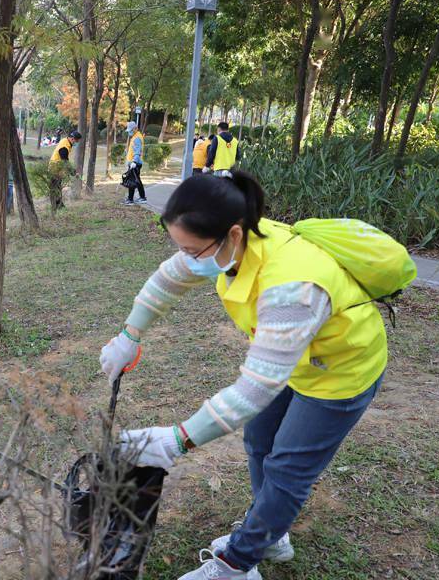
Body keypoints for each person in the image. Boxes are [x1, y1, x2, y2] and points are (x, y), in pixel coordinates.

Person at [99, 172, 387, 580]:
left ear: (233, 235)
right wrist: (129, 335)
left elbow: (254, 390)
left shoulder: (292, 287)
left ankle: (237, 565)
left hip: (341, 370)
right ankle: (270, 532)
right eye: (180, 246)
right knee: (260, 441)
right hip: (296, 359)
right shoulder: (231, 241)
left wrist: (176, 440)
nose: (187, 257)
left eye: (192, 249)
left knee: (287, 468)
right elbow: (167, 279)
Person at [48, 130, 82, 211]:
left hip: (57, 169)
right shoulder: (64, 146)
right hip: (55, 169)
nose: (76, 142)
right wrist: (73, 173)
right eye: (76, 141)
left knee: (58, 187)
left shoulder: (65, 141)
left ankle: (59, 204)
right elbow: (65, 161)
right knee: (55, 188)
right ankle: (56, 206)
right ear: (72, 139)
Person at [123, 120, 147, 205]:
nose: (129, 132)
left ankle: (130, 200)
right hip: (134, 163)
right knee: (137, 180)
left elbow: (138, 151)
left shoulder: (137, 138)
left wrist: (133, 162)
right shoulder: (135, 136)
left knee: (132, 181)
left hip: (135, 163)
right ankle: (142, 197)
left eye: (130, 130)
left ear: (135, 129)